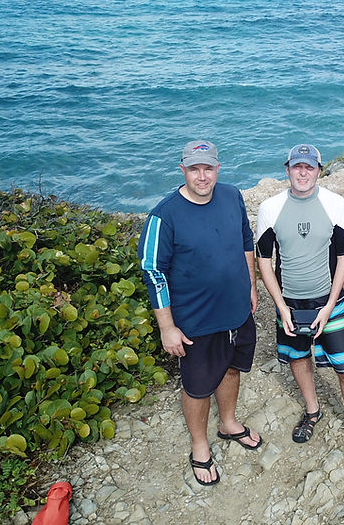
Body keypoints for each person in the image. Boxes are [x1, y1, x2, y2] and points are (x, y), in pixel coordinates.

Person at [138, 140, 262, 487]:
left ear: (217, 168)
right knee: (197, 388)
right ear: (183, 170)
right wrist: (167, 327)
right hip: (196, 321)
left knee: (233, 368)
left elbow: (244, 242)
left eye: (208, 168)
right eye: (195, 169)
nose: (202, 175)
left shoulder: (232, 195)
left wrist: (250, 286)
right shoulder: (164, 215)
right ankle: (199, 445)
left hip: (237, 311)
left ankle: (228, 422)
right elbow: (153, 271)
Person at [254, 144, 344, 466]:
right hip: (290, 306)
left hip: (331, 304)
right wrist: (281, 307)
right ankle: (313, 410)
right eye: (296, 166)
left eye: (309, 167)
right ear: (287, 170)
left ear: (318, 171)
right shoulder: (270, 207)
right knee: (299, 359)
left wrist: (330, 304)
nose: (302, 172)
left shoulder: (334, 204)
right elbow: (263, 260)